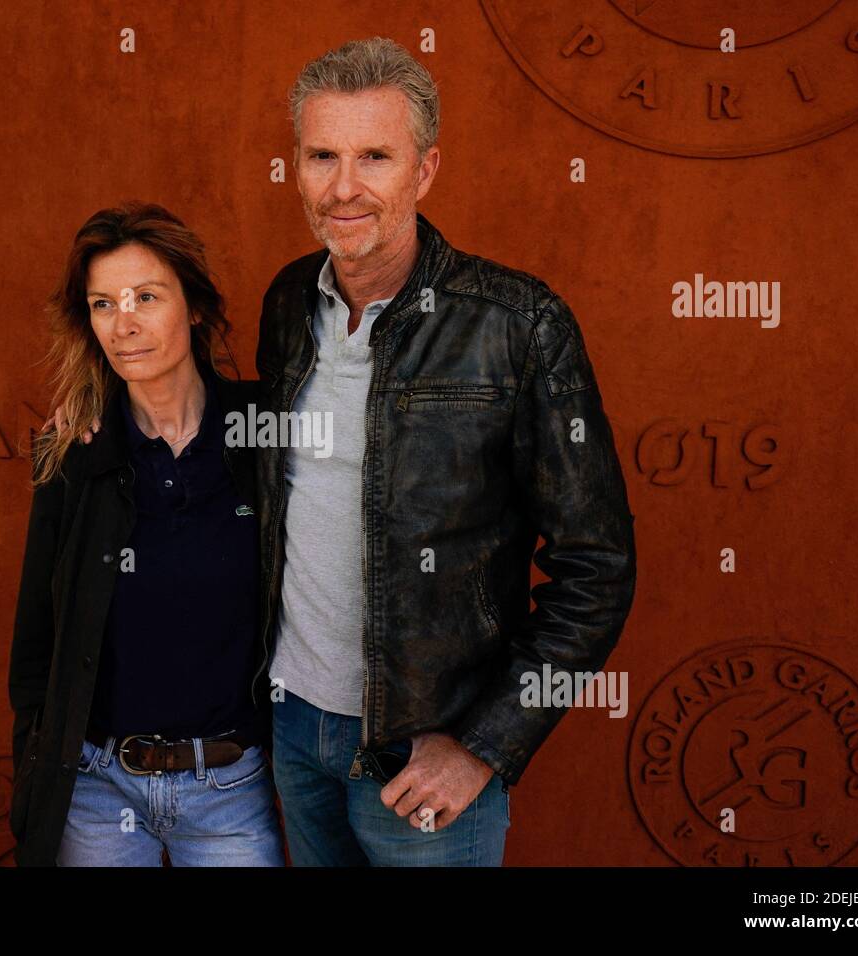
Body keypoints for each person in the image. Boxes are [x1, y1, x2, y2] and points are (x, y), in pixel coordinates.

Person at [252, 37, 639, 865]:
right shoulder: (289, 303)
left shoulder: (519, 324)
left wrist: (485, 744)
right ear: (295, 166)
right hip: (293, 726)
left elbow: (597, 567)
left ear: (425, 171)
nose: (343, 187)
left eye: (375, 157)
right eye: (322, 155)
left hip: (426, 751)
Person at [8, 201, 285, 867]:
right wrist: (38, 772)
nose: (123, 323)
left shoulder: (265, 434)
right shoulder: (77, 452)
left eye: (146, 297)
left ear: (194, 307)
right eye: (102, 304)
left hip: (230, 787)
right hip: (98, 790)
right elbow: (36, 637)